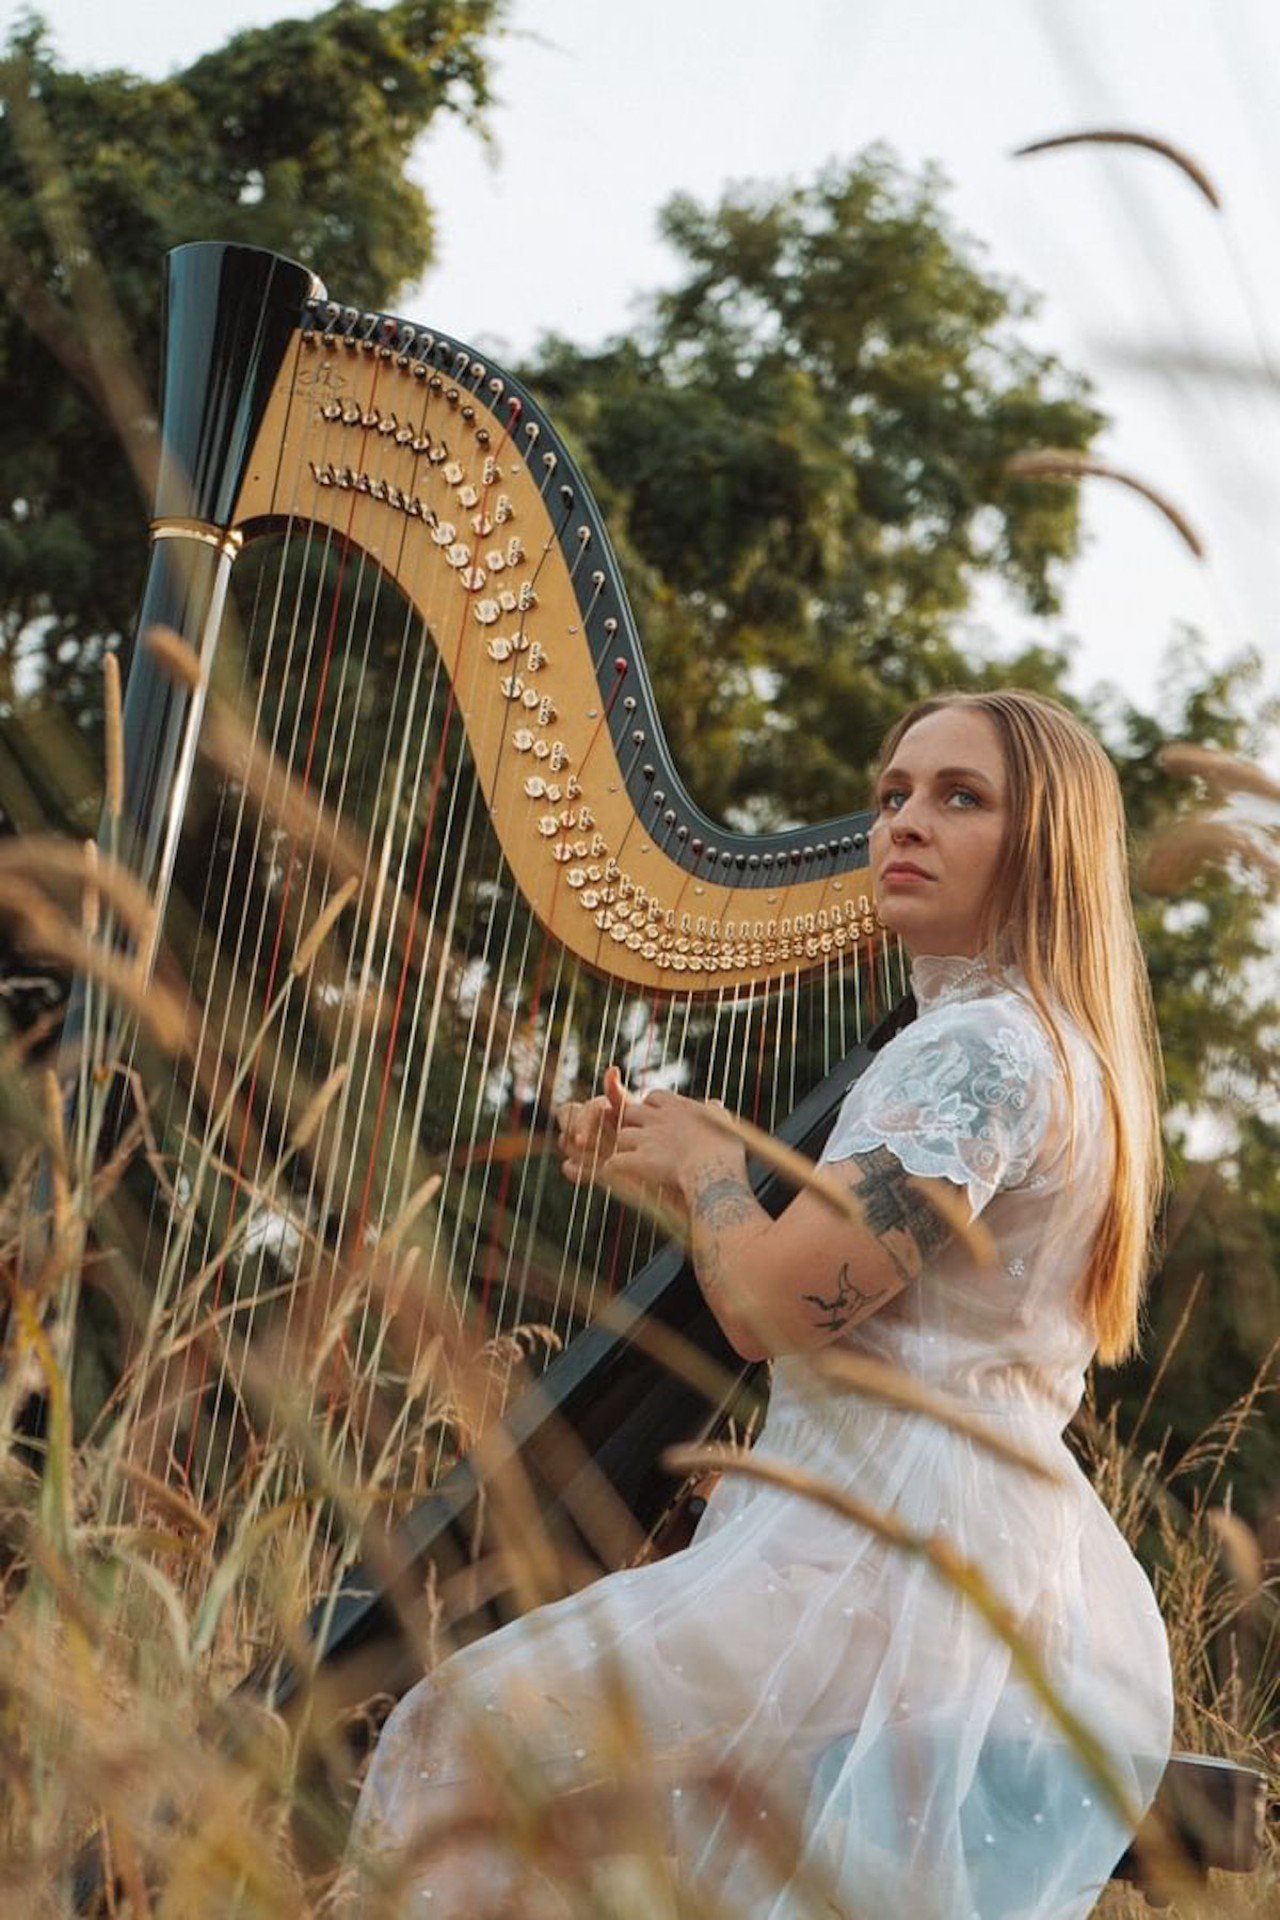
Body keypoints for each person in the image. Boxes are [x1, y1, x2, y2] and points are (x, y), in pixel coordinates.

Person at [341, 690, 1174, 1919]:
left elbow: (774, 1315)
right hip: (997, 1561)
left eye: (959, 797)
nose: (901, 821)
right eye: (891, 793)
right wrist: (704, 1151)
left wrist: (704, 1166)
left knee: (461, 1734)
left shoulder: (975, 1051)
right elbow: (857, 1272)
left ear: (1045, 842)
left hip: (897, 1566)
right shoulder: (1046, 1045)